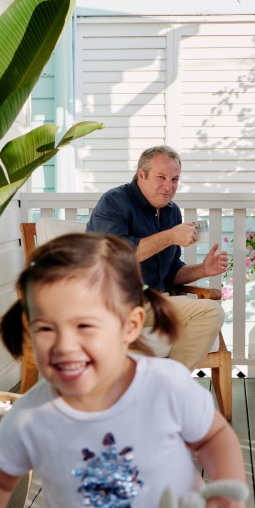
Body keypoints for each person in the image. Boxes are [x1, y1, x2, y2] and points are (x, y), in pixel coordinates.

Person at [0, 233, 245, 508]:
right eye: (45, 328)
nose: (64, 345)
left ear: (130, 325)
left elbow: (214, 437)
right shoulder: (32, 416)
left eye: (84, 326)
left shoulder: (165, 386)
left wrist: (228, 489)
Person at [86, 145, 228, 371]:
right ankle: (160, 387)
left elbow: (171, 271)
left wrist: (202, 269)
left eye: (174, 179)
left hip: (156, 302)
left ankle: (168, 382)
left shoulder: (172, 211)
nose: (169, 186)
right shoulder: (114, 201)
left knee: (211, 311)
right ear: (141, 175)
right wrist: (171, 236)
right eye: (161, 177)